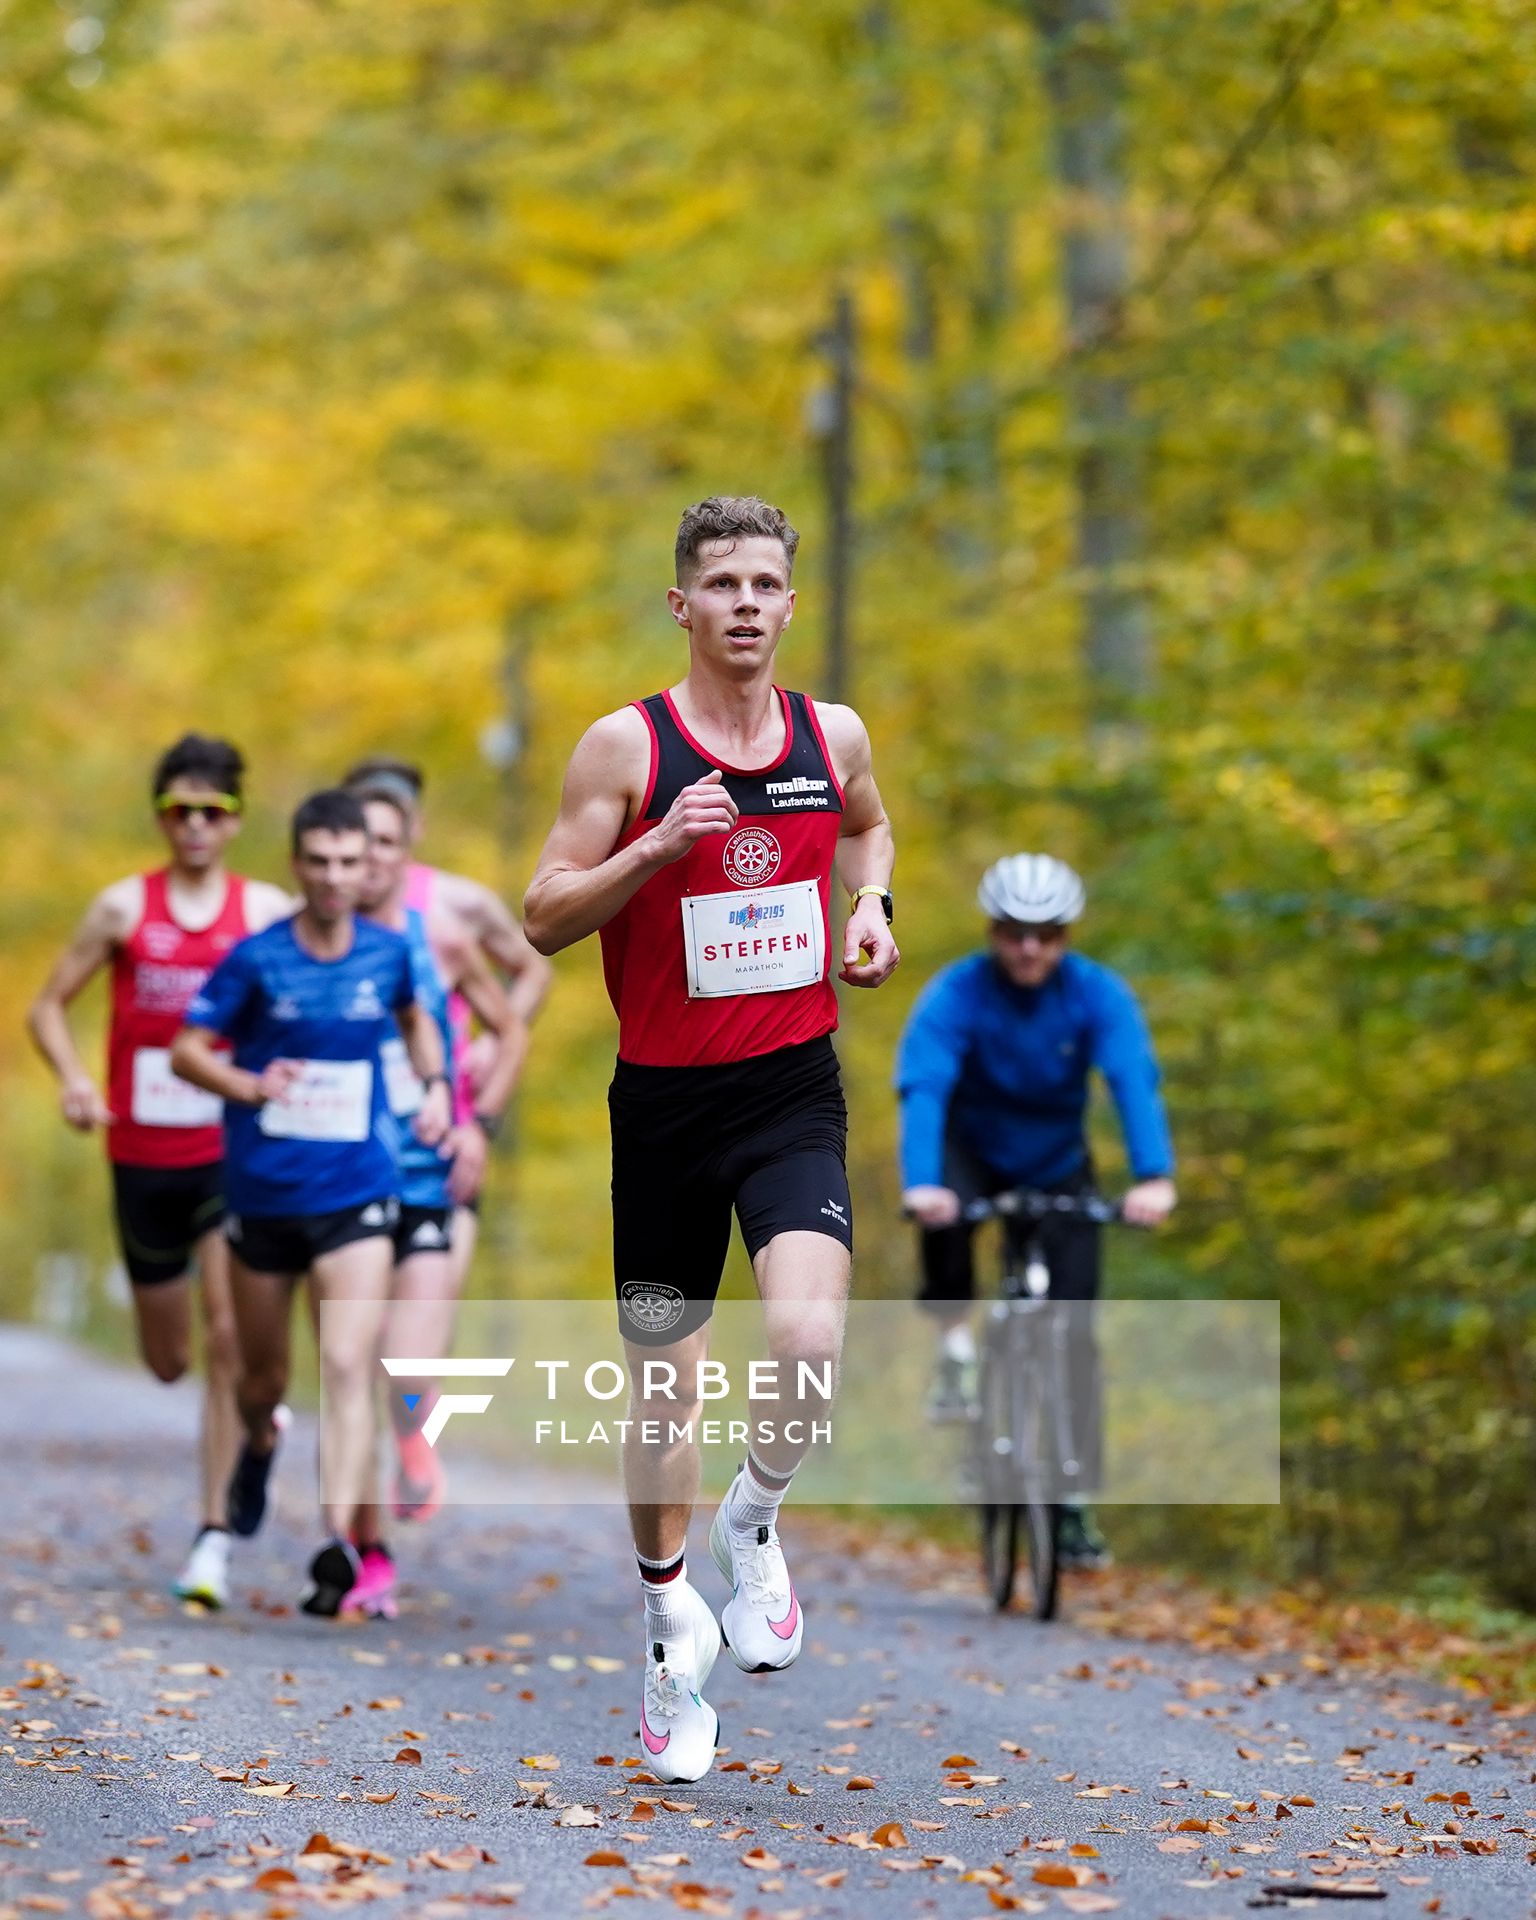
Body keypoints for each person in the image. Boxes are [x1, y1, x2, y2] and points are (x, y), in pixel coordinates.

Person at [523, 495, 899, 1785]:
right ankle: (666, 1618)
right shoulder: (625, 748)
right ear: (681, 606)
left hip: (792, 1088)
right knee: (664, 1389)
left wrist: (873, 906)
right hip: (665, 1108)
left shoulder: (826, 732)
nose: (746, 602)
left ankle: (757, 1517)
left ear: (793, 604)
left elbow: (864, 819)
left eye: (767, 582)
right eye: (722, 583)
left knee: (807, 1336)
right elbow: (541, 916)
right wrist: (652, 850)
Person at [170, 789, 451, 1617]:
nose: (334, 878)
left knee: (345, 1362)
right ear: (296, 865)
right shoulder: (257, 960)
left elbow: (415, 1020)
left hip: (357, 1189)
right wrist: (247, 1083)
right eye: (319, 862)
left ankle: (336, 1542)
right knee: (261, 1378)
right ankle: (260, 1442)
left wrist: (434, 1085)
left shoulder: (390, 950)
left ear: (369, 867)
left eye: (349, 863)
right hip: (262, 1197)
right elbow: (187, 1051)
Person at [26, 734, 292, 1609]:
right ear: (162, 818)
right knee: (169, 1359)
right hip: (139, 1155)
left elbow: (315, 990)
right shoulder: (119, 910)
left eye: (213, 813)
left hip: (226, 1148)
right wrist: (73, 1082)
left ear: (235, 822)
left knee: (225, 1336)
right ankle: (259, 1427)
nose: (197, 826)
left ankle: (211, 1538)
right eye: (181, 811)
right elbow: (46, 1008)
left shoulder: (261, 913)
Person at [896, 852, 1176, 1568]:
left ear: (1065, 935)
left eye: (1046, 934)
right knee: (946, 1222)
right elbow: (924, 1086)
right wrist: (923, 1181)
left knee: (1076, 1335)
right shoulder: (958, 993)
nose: (1029, 948)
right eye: (1015, 932)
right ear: (993, 930)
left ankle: (1072, 1502)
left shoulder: (1096, 994)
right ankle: (955, 1353)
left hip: (1057, 1163)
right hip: (971, 1153)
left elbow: (1131, 1079)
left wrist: (1154, 1176)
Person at [342, 785, 526, 1610]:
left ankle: (416, 1434)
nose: (374, 858)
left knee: (405, 1360)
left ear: (405, 849)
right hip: (334, 1185)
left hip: (426, 1174)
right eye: (359, 843)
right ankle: (365, 1559)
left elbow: (509, 1024)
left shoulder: (443, 938)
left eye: (387, 842)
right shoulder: (305, 947)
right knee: (347, 1365)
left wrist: (477, 1119)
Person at [340, 760, 550, 1293]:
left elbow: (533, 970)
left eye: (391, 830)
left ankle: (418, 1378)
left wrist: (488, 1044)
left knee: (422, 1329)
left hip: (443, 1132)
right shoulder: (323, 914)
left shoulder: (455, 909)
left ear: (415, 828)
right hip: (345, 1141)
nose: (374, 849)